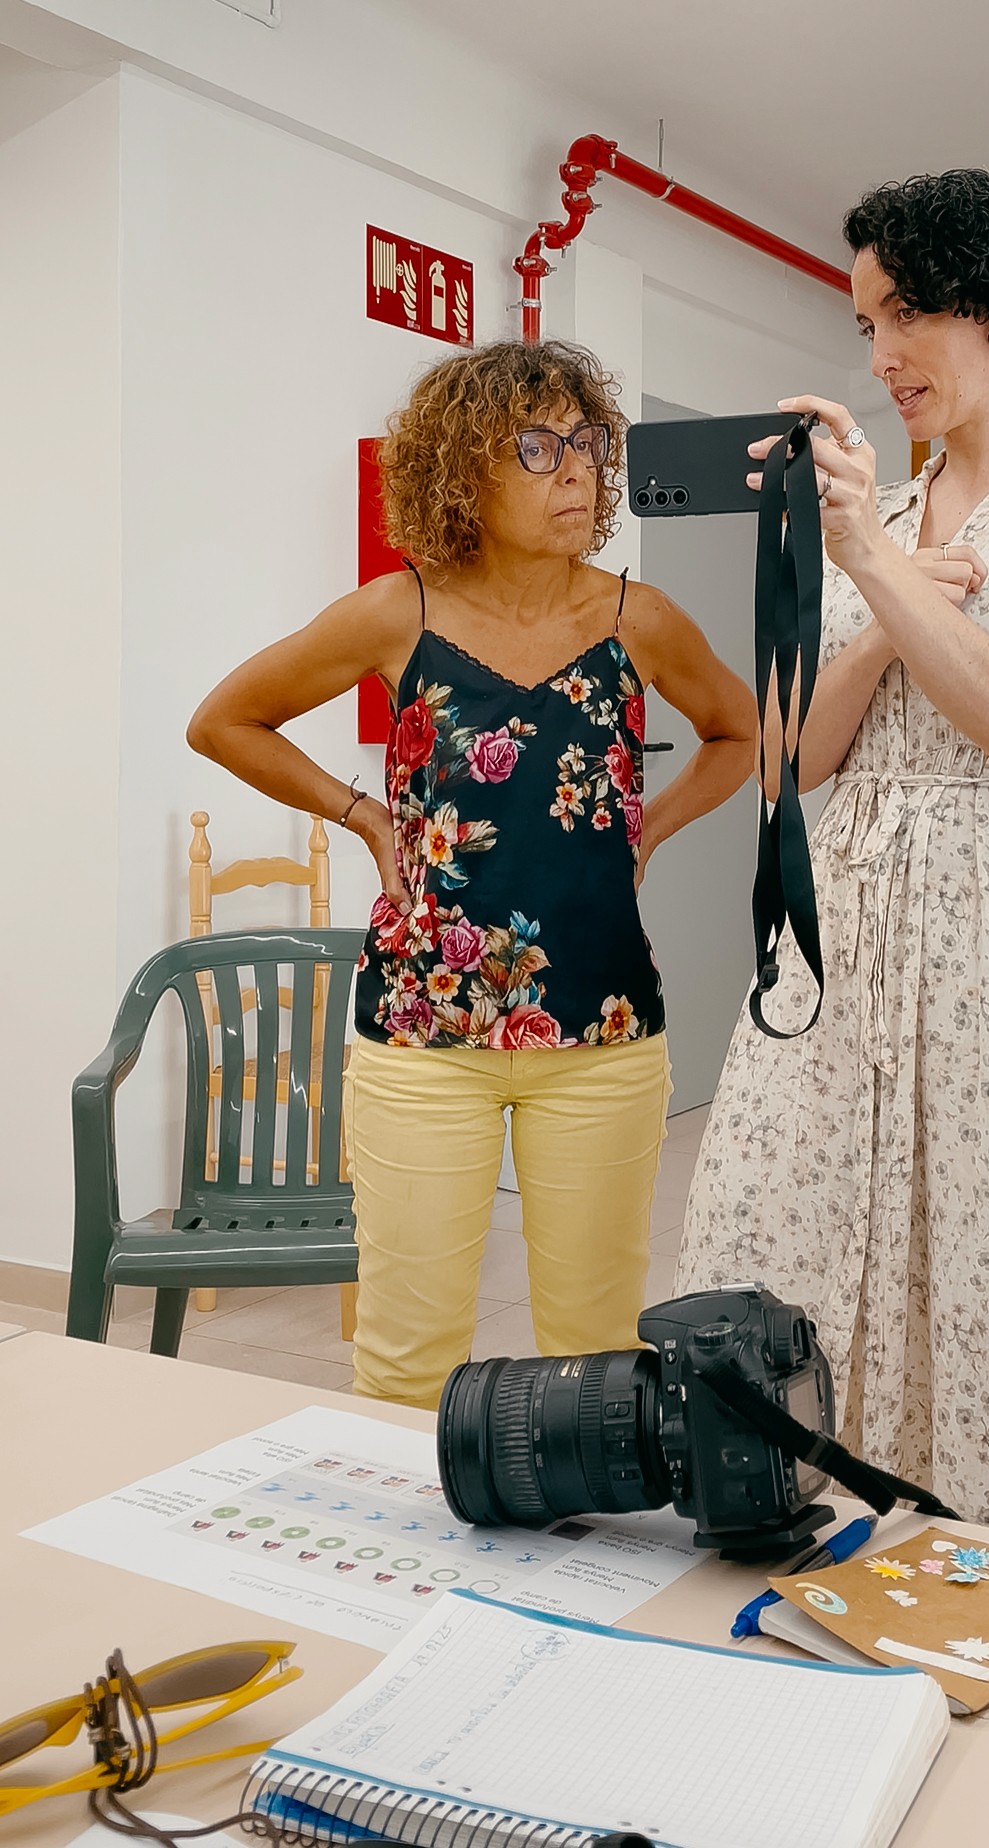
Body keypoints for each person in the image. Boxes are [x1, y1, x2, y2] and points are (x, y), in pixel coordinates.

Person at [676, 169, 989, 1567]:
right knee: (780, 1227)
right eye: (866, 324)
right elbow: (797, 756)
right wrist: (878, 588)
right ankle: (807, 1535)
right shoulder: (885, 509)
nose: (882, 356)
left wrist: (876, 564)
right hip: (844, 923)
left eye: (908, 313)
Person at [189, 339, 756, 1410]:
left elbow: (739, 731)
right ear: (463, 472)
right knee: (408, 1357)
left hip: (600, 1029)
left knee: (595, 1351)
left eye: (587, 442)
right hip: (422, 1031)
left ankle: (575, 1514)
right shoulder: (395, 612)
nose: (575, 469)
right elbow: (224, 721)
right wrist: (361, 814)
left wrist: (651, 829)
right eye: (537, 447)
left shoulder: (639, 619)